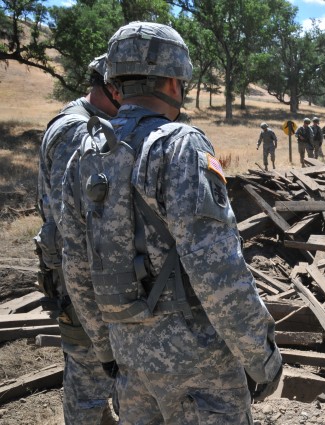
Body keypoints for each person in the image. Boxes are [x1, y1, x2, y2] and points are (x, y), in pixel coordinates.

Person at [60, 22, 282, 424]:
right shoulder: (182, 146)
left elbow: (76, 269)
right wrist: (261, 356)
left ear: (116, 82)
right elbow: (218, 270)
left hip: (128, 356)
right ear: (175, 81)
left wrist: (107, 351)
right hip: (201, 369)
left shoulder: (84, 157)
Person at [35, 54, 119, 425]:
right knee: (88, 377)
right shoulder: (78, 132)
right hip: (78, 280)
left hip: (72, 274)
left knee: (92, 372)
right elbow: (77, 224)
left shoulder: (77, 119)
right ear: (111, 88)